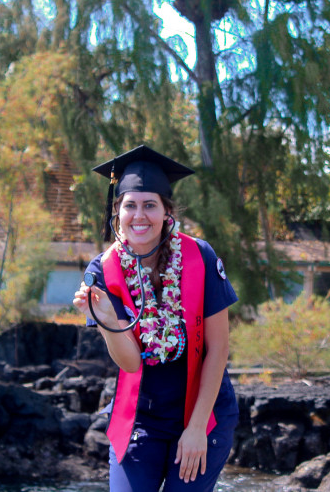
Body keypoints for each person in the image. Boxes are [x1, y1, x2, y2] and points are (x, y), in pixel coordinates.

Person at [73, 145, 239, 492]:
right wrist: (107, 321)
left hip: (203, 414)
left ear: (167, 212)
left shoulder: (200, 257)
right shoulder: (103, 270)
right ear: (116, 212)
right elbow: (130, 363)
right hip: (140, 420)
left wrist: (195, 429)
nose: (139, 216)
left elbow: (219, 349)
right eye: (130, 205)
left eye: (150, 205)